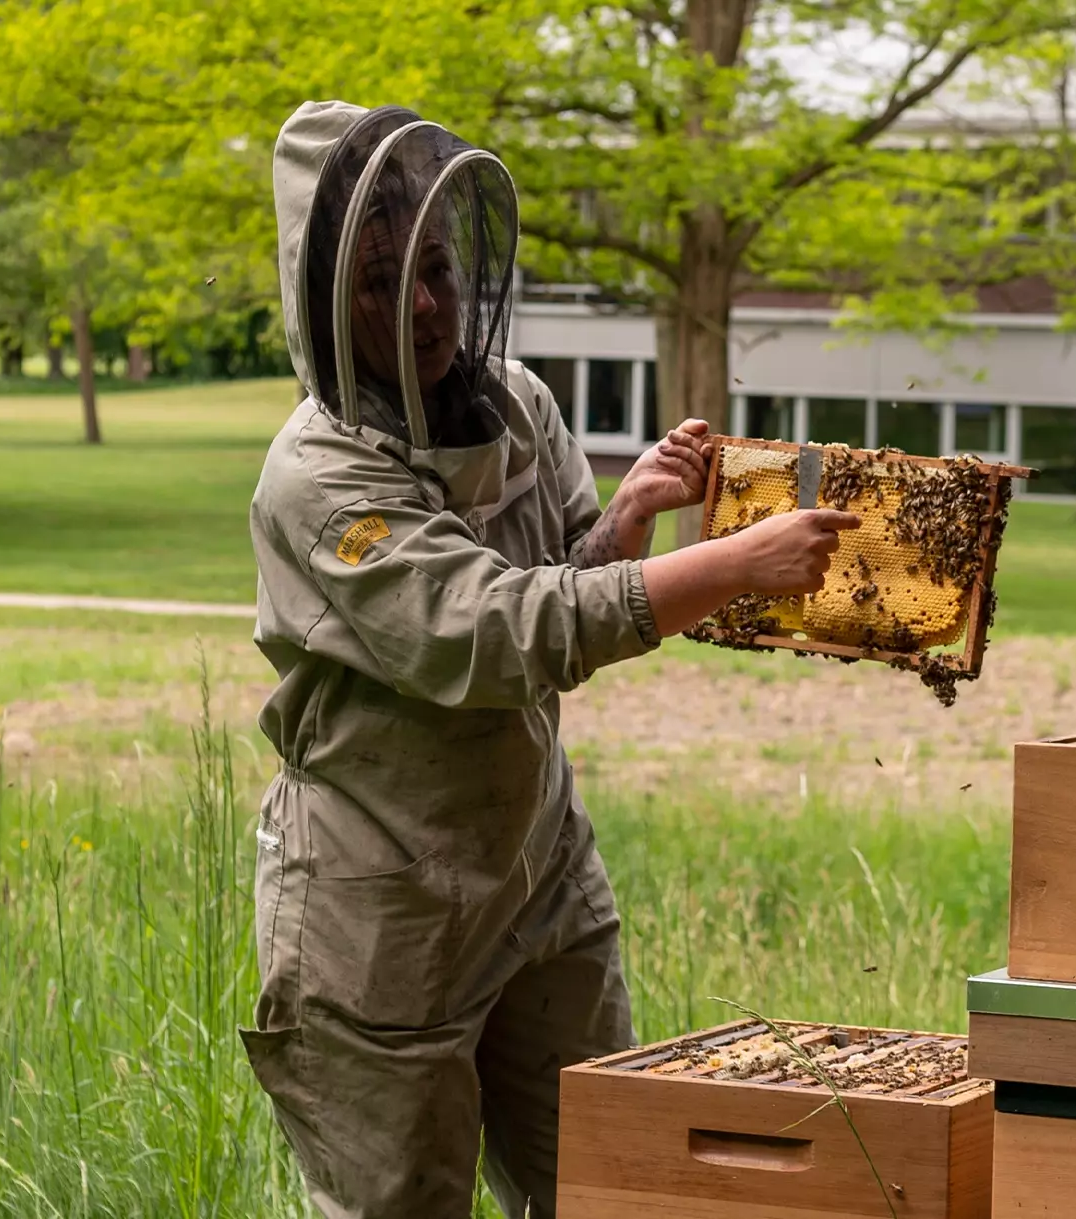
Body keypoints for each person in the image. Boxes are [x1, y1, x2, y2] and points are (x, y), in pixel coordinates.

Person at [239, 101, 860, 1218]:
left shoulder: (513, 402)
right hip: (379, 907)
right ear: (326, 299)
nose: (427, 305)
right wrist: (726, 568)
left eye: (435, 265)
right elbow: (490, 633)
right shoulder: (318, 477)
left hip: (538, 873)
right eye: (382, 283)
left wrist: (622, 525)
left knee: (604, 1187)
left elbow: (559, 586)